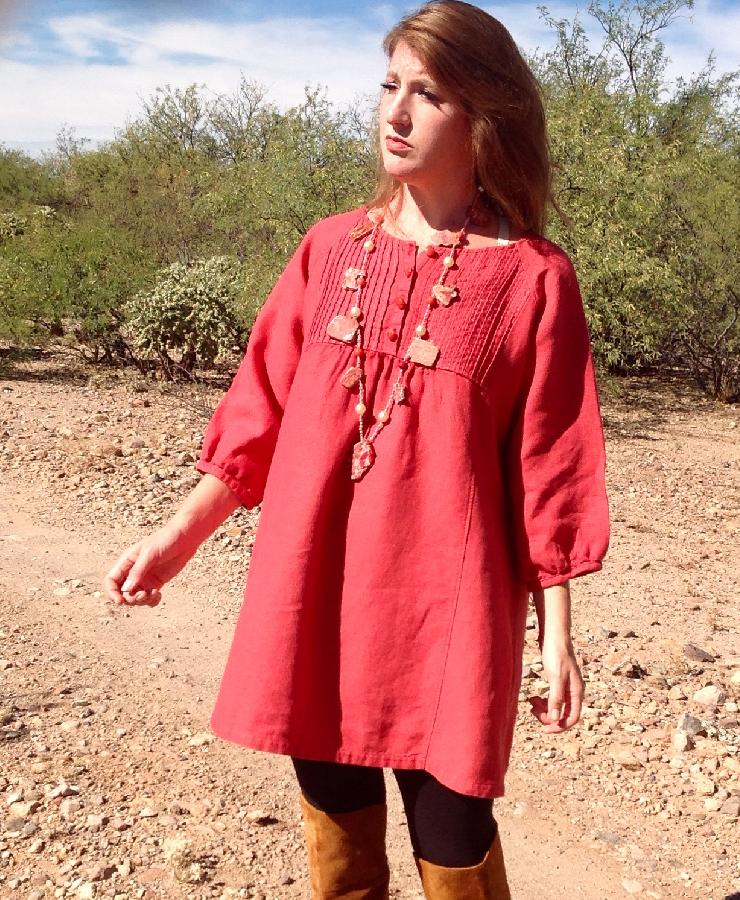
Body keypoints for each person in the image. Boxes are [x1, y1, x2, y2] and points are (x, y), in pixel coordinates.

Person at [104, 1, 610, 897]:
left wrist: (557, 636)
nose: (396, 113)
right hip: (318, 587)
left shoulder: (535, 277)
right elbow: (257, 412)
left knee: (453, 836)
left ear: (481, 116)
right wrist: (177, 537)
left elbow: (553, 465)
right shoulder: (328, 248)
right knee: (336, 832)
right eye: (389, 86)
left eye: (428, 93)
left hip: (448, 611)